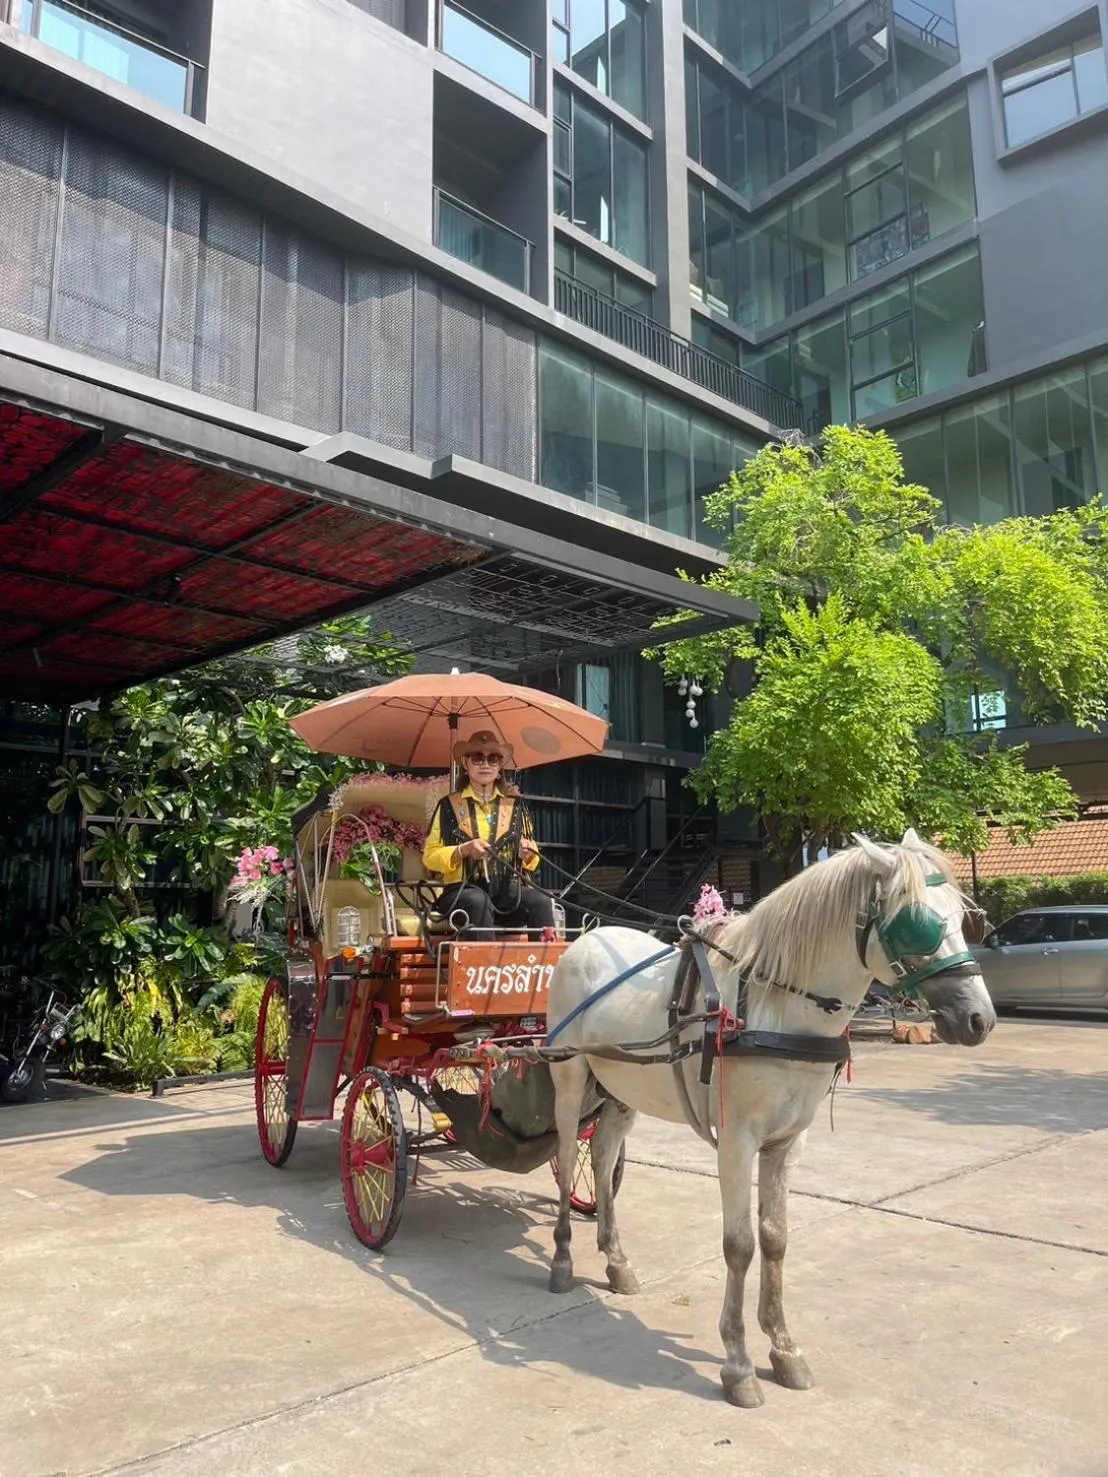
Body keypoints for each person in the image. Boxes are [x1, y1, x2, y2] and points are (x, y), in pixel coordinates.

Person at [422, 731, 555, 937]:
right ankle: (485, 967)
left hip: (505, 893)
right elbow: (430, 858)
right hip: (461, 894)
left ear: (500, 766)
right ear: (466, 764)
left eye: (493, 758)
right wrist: (462, 850)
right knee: (478, 901)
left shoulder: (516, 807)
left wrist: (528, 853)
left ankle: (545, 966)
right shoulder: (448, 806)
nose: (486, 764)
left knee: (541, 901)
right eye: (478, 758)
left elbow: (532, 858)